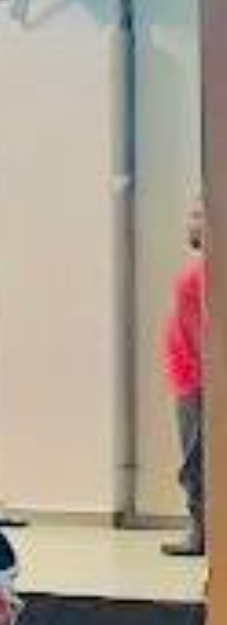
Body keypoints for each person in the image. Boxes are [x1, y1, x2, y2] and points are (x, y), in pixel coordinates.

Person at [164, 198, 208, 558]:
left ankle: (200, 532)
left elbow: (200, 336)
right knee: (195, 461)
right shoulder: (197, 273)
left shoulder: (199, 277)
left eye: (198, 214)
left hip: (197, 384)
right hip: (188, 379)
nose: (190, 222)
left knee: (194, 462)